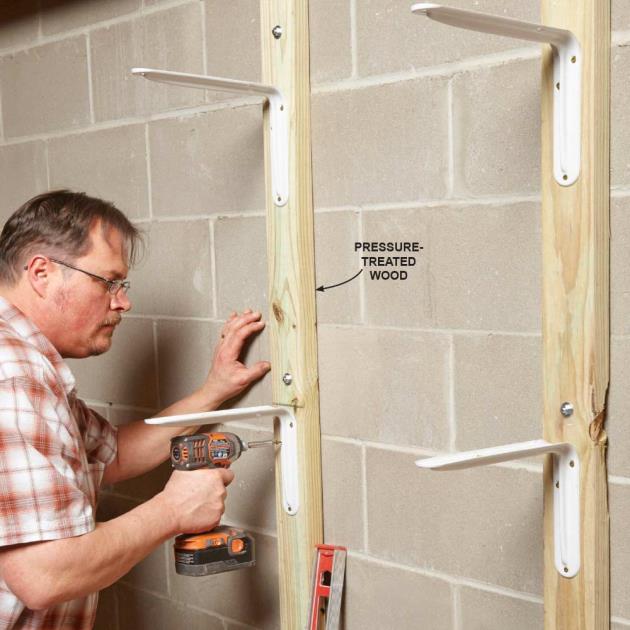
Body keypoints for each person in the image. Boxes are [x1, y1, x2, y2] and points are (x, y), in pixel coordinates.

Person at [0, 190, 271, 629]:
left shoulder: (29, 365)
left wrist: (212, 392)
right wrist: (173, 510)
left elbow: (114, 454)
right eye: (108, 281)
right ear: (42, 273)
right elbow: (43, 574)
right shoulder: (14, 375)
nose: (122, 302)